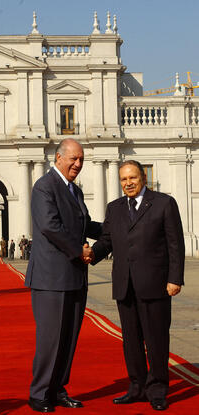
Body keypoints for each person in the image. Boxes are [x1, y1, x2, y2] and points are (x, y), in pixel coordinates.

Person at [84, 160, 185, 411]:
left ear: (143, 178)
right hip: (124, 285)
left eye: (133, 178)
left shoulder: (163, 203)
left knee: (156, 340)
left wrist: (175, 278)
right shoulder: (114, 208)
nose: (128, 183)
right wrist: (91, 255)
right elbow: (107, 240)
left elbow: (175, 244)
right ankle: (137, 387)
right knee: (131, 341)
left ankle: (158, 389)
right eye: (123, 179)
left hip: (156, 284)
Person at [25, 138, 101, 413]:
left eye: (81, 159)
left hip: (75, 276)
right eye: (73, 159)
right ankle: (39, 393)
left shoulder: (74, 191)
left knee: (69, 338)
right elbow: (50, 226)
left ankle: (57, 389)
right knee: (51, 338)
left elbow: (85, 224)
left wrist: (116, 229)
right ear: (59, 157)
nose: (78, 164)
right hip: (51, 278)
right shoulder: (44, 186)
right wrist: (79, 251)